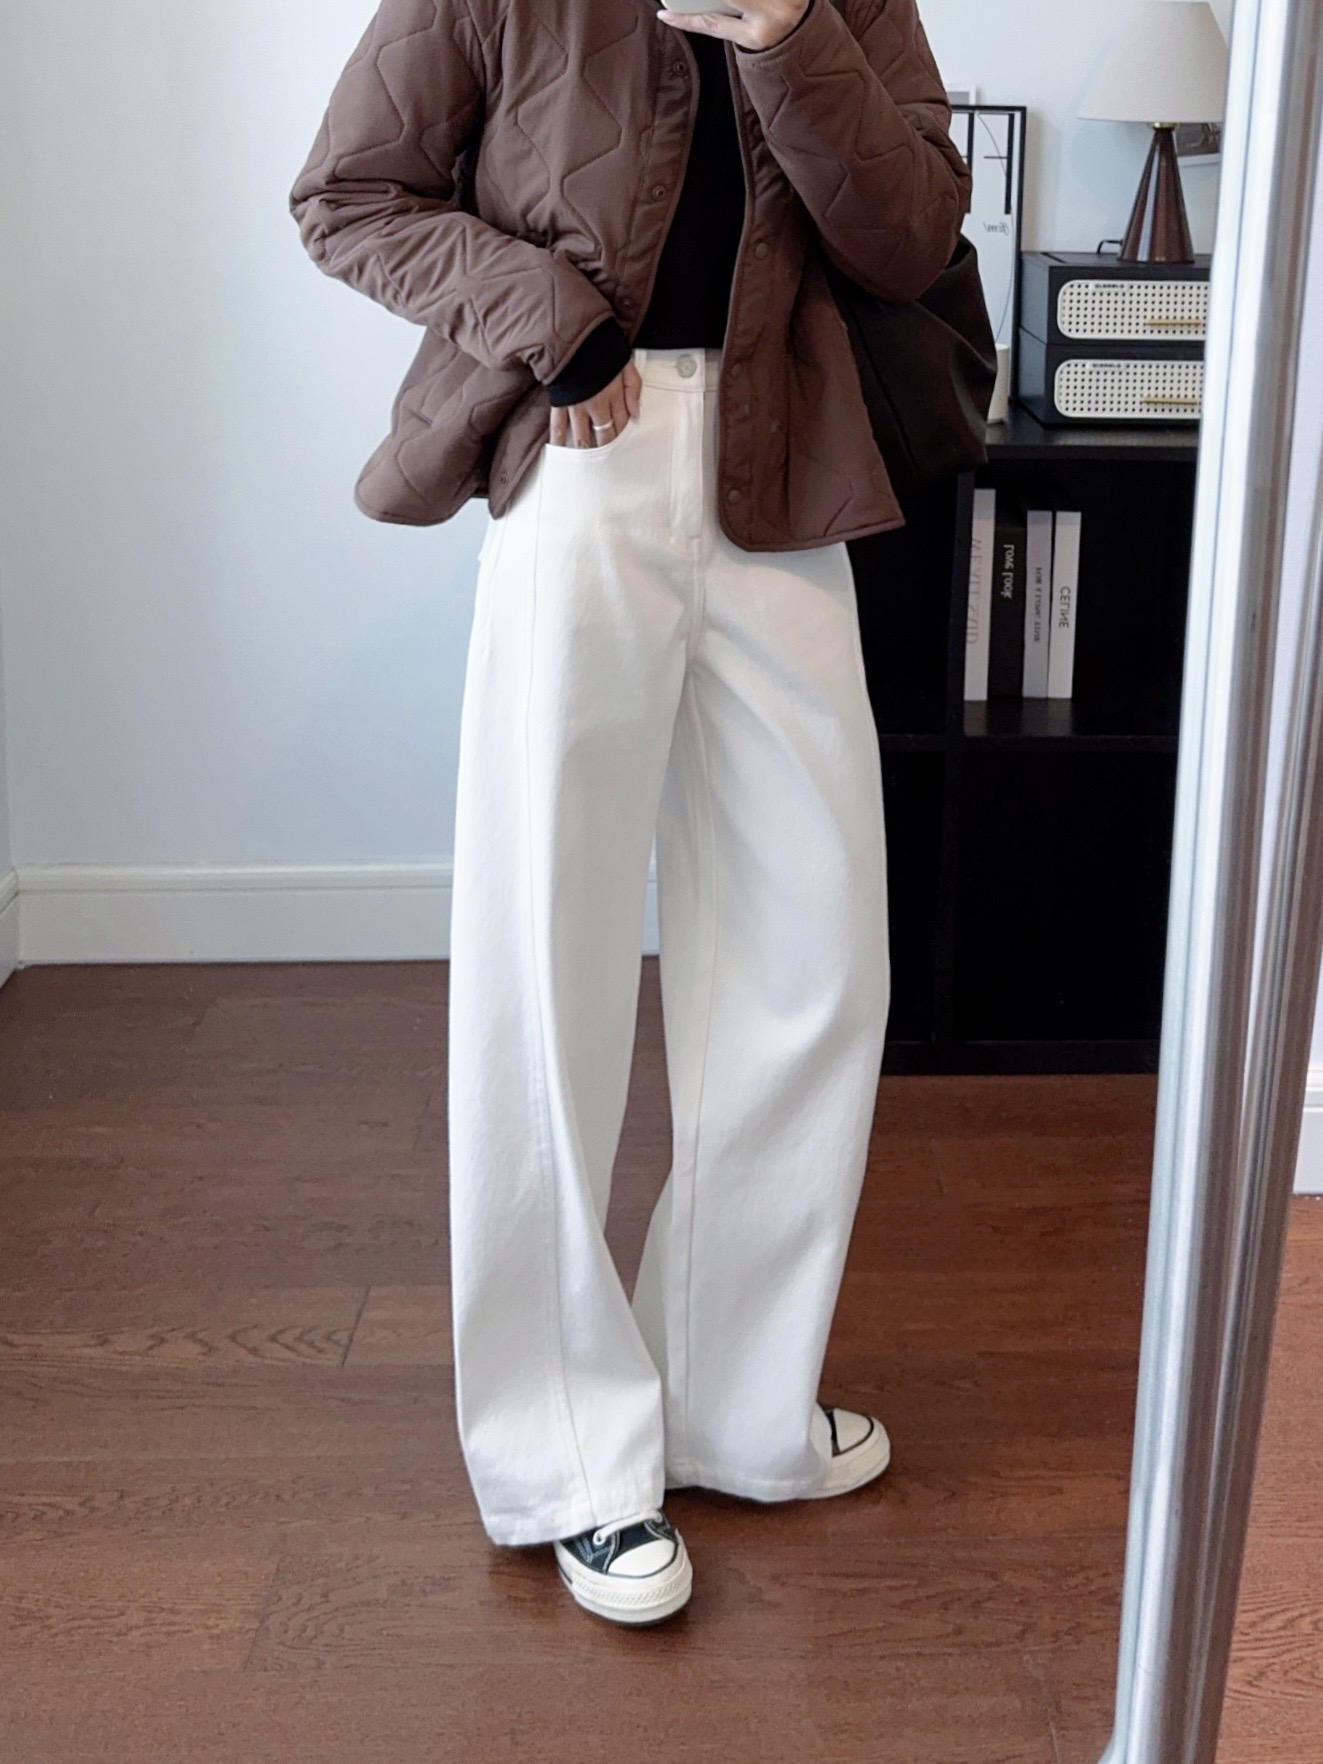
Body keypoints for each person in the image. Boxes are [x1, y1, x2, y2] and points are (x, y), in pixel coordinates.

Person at [291, 0, 971, 1626]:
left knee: (818, 954)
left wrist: (790, 35)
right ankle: (570, 1458)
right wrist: (559, 325)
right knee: (552, 961)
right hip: (582, 457)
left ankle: (737, 1401)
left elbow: (909, 234)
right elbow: (348, 194)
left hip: (785, 468)